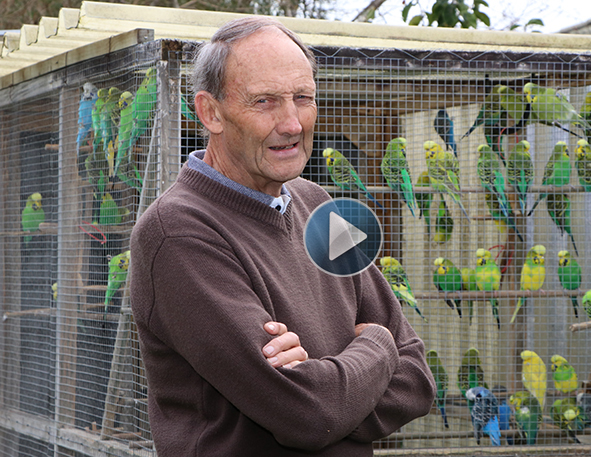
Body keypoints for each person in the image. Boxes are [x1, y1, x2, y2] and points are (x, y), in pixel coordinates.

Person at [129, 16, 435, 456]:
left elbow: (418, 380)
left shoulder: (316, 205)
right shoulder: (178, 232)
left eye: (303, 98)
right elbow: (309, 415)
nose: (292, 123)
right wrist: (377, 344)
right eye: (265, 101)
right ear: (210, 112)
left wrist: (328, 384)